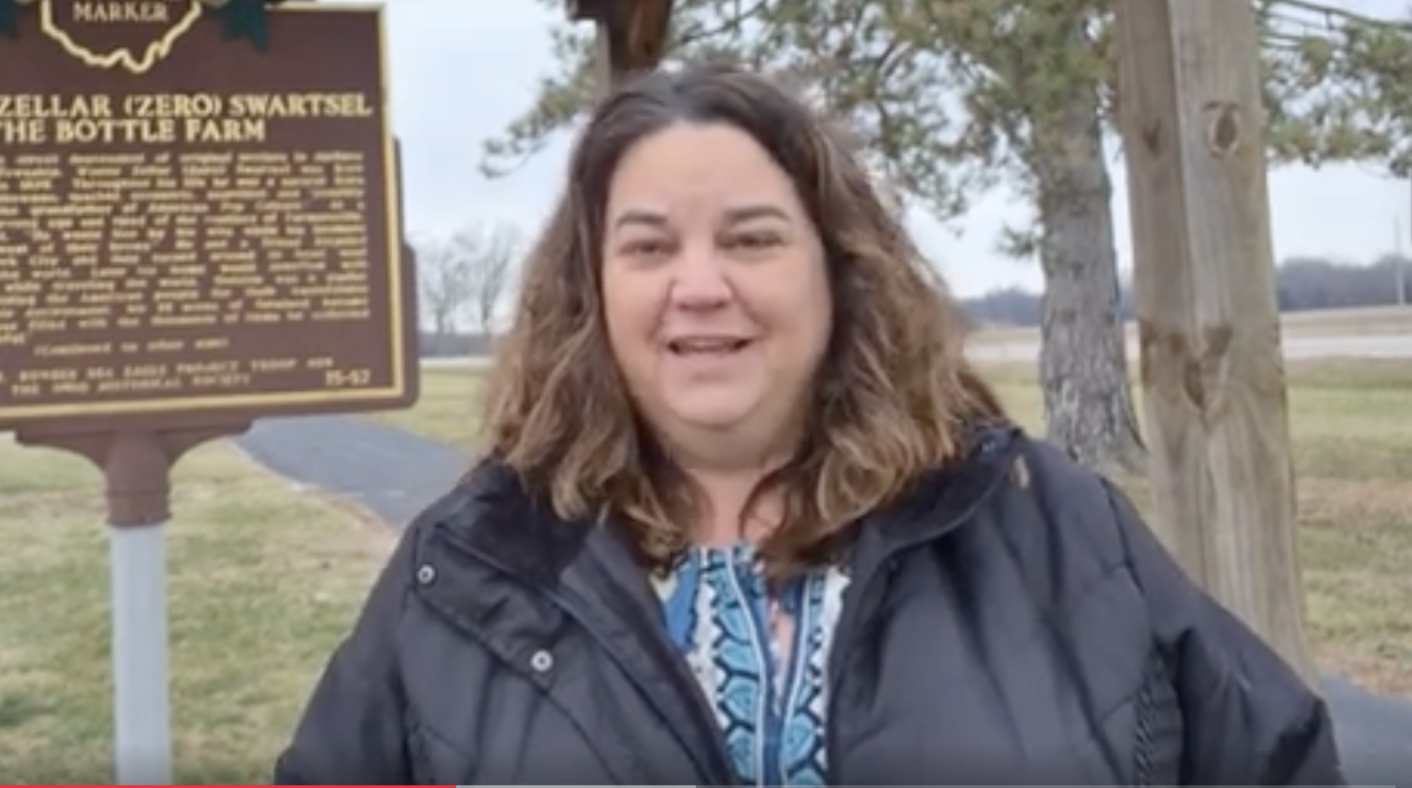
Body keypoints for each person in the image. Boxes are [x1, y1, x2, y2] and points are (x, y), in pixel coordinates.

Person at [272, 64, 1344, 786]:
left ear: (840, 273)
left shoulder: (1046, 527)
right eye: (648, 248)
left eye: (751, 238)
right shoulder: (468, 571)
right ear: (591, 295)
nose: (700, 286)